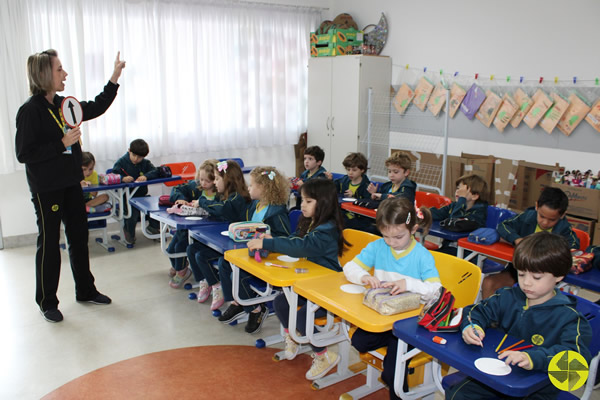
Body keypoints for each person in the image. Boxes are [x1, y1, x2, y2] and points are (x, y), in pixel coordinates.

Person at [15, 49, 125, 322]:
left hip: (70, 183)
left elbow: (97, 106)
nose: (65, 74)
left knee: (78, 238)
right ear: (44, 74)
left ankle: (86, 290)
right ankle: (47, 301)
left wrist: (114, 77)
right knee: (50, 243)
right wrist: (60, 144)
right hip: (46, 188)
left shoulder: (65, 105)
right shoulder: (30, 111)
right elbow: (24, 154)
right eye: (59, 69)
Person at [446, 232, 592, 400]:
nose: (526, 282)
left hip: (536, 389)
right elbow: (475, 311)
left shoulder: (570, 318)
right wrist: (472, 326)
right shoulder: (508, 296)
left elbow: (576, 360)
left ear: (559, 276)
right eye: (521, 274)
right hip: (495, 377)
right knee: (459, 394)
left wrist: (534, 359)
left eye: (536, 277)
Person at [247, 178, 349, 380]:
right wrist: (271, 241)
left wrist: (271, 244)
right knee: (281, 303)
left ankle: (324, 355)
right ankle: (292, 335)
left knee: (302, 316)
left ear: (324, 203)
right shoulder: (310, 222)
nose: (302, 205)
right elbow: (296, 240)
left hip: (327, 287)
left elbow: (301, 247)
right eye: (302, 200)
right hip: (311, 282)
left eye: (308, 201)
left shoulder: (326, 230)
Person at [344, 197, 438, 400]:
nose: (391, 242)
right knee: (358, 341)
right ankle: (391, 370)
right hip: (383, 319)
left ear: (413, 229)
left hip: (411, 324)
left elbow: (435, 290)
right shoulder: (379, 247)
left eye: (397, 237)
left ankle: (397, 389)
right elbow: (349, 267)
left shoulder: (422, 256)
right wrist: (364, 276)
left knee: (394, 366)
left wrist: (408, 284)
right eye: (386, 236)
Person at [217, 166, 292, 334]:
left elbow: (285, 238)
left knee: (237, 274)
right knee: (224, 262)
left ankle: (256, 309)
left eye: (251, 185)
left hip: (268, 257)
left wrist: (268, 240)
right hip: (251, 252)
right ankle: (237, 302)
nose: (248, 188)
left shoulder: (277, 212)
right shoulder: (254, 206)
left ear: (264, 188)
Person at [481, 187, 579, 299]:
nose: (545, 223)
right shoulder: (527, 217)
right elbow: (503, 226)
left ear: (562, 215)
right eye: (542, 216)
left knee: (528, 297)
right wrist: (517, 239)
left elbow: (574, 249)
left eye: (552, 220)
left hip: (544, 280)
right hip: (518, 273)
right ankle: (487, 316)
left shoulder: (565, 230)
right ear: (537, 206)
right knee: (489, 283)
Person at [186, 160, 250, 310]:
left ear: (227, 180)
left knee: (201, 256)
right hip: (225, 239)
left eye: (217, 178)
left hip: (237, 245)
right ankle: (207, 281)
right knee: (192, 249)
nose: (214, 182)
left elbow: (221, 209)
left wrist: (201, 201)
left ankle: (218, 287)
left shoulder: (236, 198)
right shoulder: (224, 195)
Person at [166, 159, 218, 285]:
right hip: (189, 228)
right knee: (171, 248)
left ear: (216, 179)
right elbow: (176, 189)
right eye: (201, 179)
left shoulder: (220, 192)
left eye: (208, 180)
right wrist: (181, 199)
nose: (203, 183)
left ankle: (182, 271)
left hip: (207, 232)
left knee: (179, 247)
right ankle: (181, 266)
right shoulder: (196, 186)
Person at [112, 138, 160, 244]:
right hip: (126, 198)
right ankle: (129, 233)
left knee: (155, 206)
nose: (136, 159)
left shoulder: (145, 163)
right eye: (134, 155)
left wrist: (146, 176)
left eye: (140, 157)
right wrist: (122, 178)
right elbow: (112, 175)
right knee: (132, 212)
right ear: (129, 150)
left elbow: (156, 171)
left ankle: (153, 229)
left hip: (141, 196)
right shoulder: (121, 162)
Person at [431, 174, 489, 255]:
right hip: (448, 249)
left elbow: (456, 224)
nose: (458, 192)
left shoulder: (479, 213)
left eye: (463, 191)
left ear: (475, 196)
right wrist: (422, 213)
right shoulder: (454, 205)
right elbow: (437, 214)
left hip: (467, 256)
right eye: (458, 188)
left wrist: (462, 199)